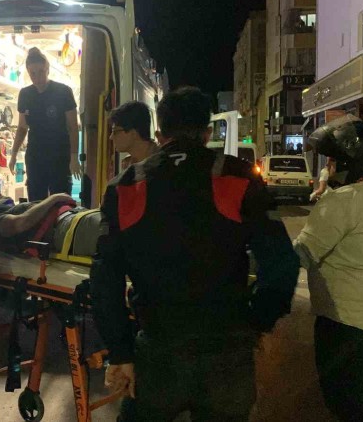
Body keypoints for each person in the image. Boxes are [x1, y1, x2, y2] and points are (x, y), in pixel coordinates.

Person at [91, 87, 300, 421]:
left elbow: (105, 278)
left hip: (158, 348)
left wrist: (120, 352)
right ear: (207, 133)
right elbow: (282, 263)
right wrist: (257, 321)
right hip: (227, 349)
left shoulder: (126, 186)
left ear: (160, 133)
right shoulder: (239, 177)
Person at [293, 120, 363, 421]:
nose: (327, 167)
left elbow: (302, 253)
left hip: (348, 324)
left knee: (346, 405)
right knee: (362, 396)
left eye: (332, 160)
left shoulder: (342, 202)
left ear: (349, 163)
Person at [9, 47, 82, 201]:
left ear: (47, 69)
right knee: (36, 201)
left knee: (61, 200)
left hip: (59, 155)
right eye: (33, 73)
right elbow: (22, 127)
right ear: (28, 72)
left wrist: (74, 156)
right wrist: (14, 154)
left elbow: (73, 127)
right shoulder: (25, 94)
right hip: (35, 155)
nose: (37, 77)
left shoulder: (63, 92)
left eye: (41, 72)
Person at [0, 193, 104, 258]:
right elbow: (22, 223)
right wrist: (54, 198)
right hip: (67, 226)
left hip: (77, 217)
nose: (0, 194)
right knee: (109, 229)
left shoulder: (19, 209)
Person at [110, 101, 160, 170]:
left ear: (133, 133)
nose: (111, 137)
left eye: (115, 131)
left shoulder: (160, 159)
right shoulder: (127, 163)